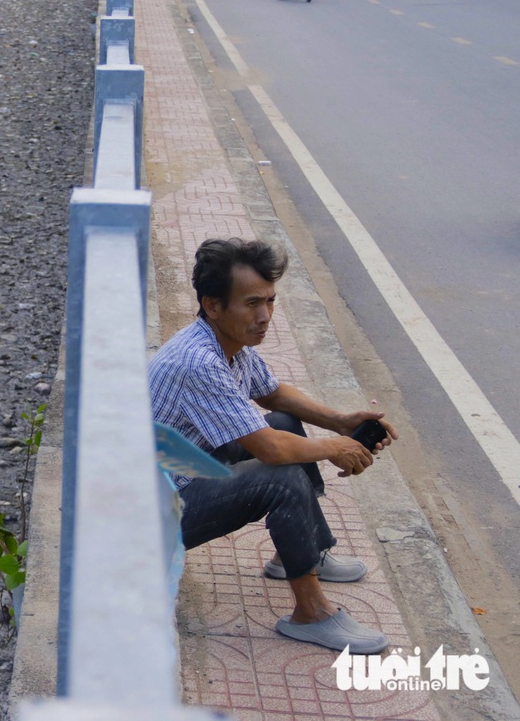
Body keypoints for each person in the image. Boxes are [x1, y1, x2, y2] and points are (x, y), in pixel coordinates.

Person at [147, 237, 397, 654]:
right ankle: (311, 613)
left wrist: (341, 420)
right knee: (279, 476)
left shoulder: (226, 342)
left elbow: (274, 396)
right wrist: (336, 446)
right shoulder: (198, 362)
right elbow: (272, 452)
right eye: (251, 304)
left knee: (283, 424)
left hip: (181, 474)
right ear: (212, 305)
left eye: (270, 301)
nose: (264, 317)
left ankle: (301, 553)